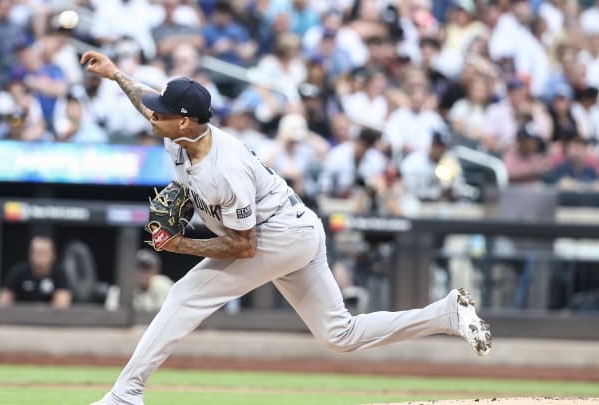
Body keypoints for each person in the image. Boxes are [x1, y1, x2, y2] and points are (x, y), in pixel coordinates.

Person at [80, 49, 492, 405]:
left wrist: (178, 245)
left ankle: (125, 394)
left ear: (186, 122)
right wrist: (116, 74)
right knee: (339, 334)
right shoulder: (181, 135)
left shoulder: (223, 171)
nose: (155, 114)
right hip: (301, 229)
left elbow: (244, 246)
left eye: (164, 112)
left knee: (186, 294)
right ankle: (446, 314)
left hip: (277, 235)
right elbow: (145, 103)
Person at [0, 235, 72, 308]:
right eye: (38, 253)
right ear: (31, 254)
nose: (41, 258)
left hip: (50, 320)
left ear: (53, 255)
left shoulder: (59, 273)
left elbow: (62, 304)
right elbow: (3, 301)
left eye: (45, 253)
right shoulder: (18, 271)